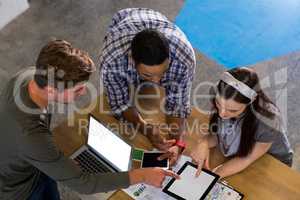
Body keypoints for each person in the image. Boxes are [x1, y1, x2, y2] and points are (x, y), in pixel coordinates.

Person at [0, 40, 179, 200]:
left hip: (27, 158)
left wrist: (55, 163)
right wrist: (142, 176)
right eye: (78, 90)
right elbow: (84, 184)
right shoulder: (32, 136)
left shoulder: (28, 76)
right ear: (52, 90)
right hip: (20, 188)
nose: (84, 93)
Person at [99, 8, 196, 165]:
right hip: (124, 21)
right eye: (148, 75)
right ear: (132, 59)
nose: (157, 82)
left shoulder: (184, 58)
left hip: (157, 18)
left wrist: (178, 142)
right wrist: (147, 129)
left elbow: (177, 105)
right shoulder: (111, 61)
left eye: (163, 72)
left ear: (169, 57)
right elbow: (120, 104)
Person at [191, 67, 293, 178]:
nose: (221, 114)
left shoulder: (268, 121)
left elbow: (247, 158)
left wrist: (212, 177)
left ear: (251, 101)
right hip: (239, 152)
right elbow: (218, 134)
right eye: (218, 104)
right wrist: (203, 143)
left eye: (233, 110)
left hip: (271, 160)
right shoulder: (223, 100)